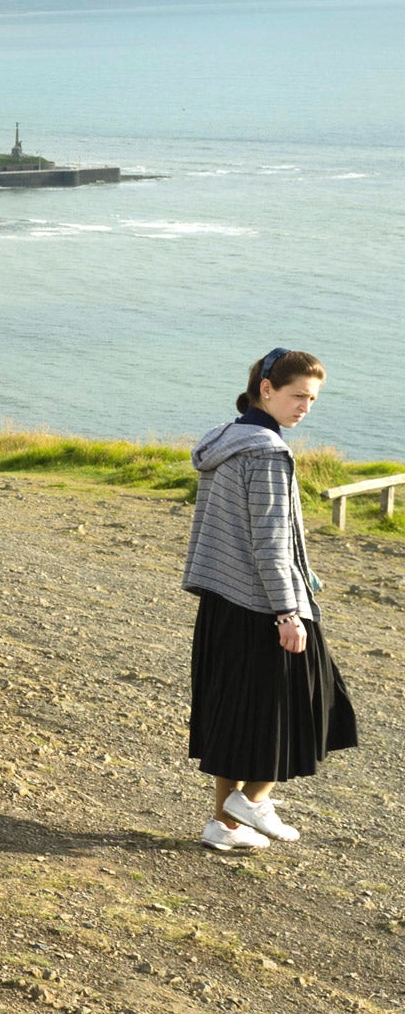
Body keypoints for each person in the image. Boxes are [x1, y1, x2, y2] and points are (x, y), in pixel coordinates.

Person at [182, 348, 356, 852]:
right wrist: (289, 611)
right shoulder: (268, 452)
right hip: (263, 604)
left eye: (313, 398)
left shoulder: (227, 439)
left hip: (222, 599)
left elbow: (240, 530)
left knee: (236, 713)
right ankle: (253, 801)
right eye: (298, 395)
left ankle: (224, 824)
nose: (306, 406)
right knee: (308, 705)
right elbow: (269, 540)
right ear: (266, 389)